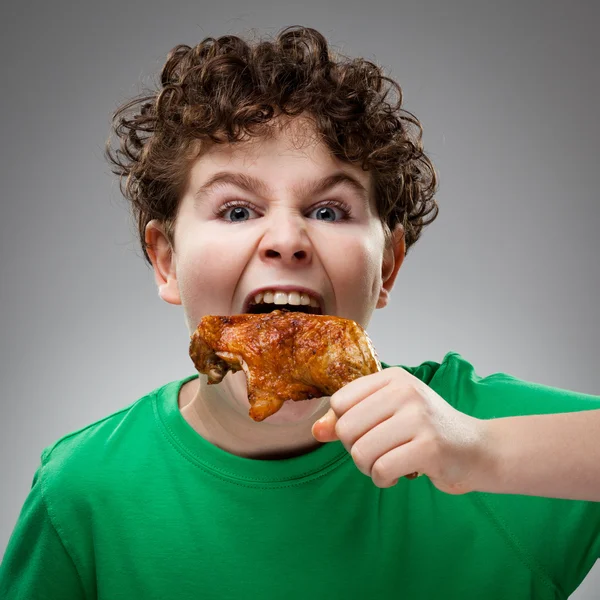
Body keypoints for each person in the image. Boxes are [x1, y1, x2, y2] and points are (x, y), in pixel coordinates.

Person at [1, 25, 599, 600]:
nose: (286, 239)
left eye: (330, 211)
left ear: (387, 266)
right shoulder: (83, 493)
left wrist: (482, 452)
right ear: (166, 262)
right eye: (236, 210)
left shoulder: (473, 427)